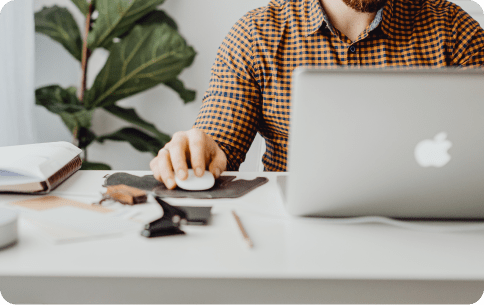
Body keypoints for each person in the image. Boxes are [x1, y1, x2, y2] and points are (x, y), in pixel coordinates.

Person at [150, 0, 484, 189]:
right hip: (293, 238)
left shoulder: (456, 31)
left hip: (429, 237)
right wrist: (197, 152)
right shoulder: (257, 34)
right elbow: (218, 144)